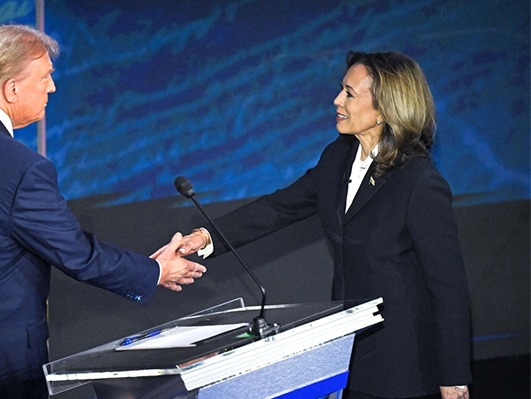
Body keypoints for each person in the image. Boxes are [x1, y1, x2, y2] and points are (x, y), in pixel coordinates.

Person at [0, 24, 206, 399]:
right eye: (46, 76)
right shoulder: (21, 167)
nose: (52, 87)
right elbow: (77, 254)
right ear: (12, 88)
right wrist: (155, 271)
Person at [175, 51, 471, 399]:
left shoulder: (419, 181)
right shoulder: (339, 156)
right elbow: (280, 206)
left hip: (404, 365)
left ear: (383, 109)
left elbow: (449, 288)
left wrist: (454, 377)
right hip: (352, 351)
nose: (336, 100)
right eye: (340, 90)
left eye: (349, 93)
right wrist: (205, 237)